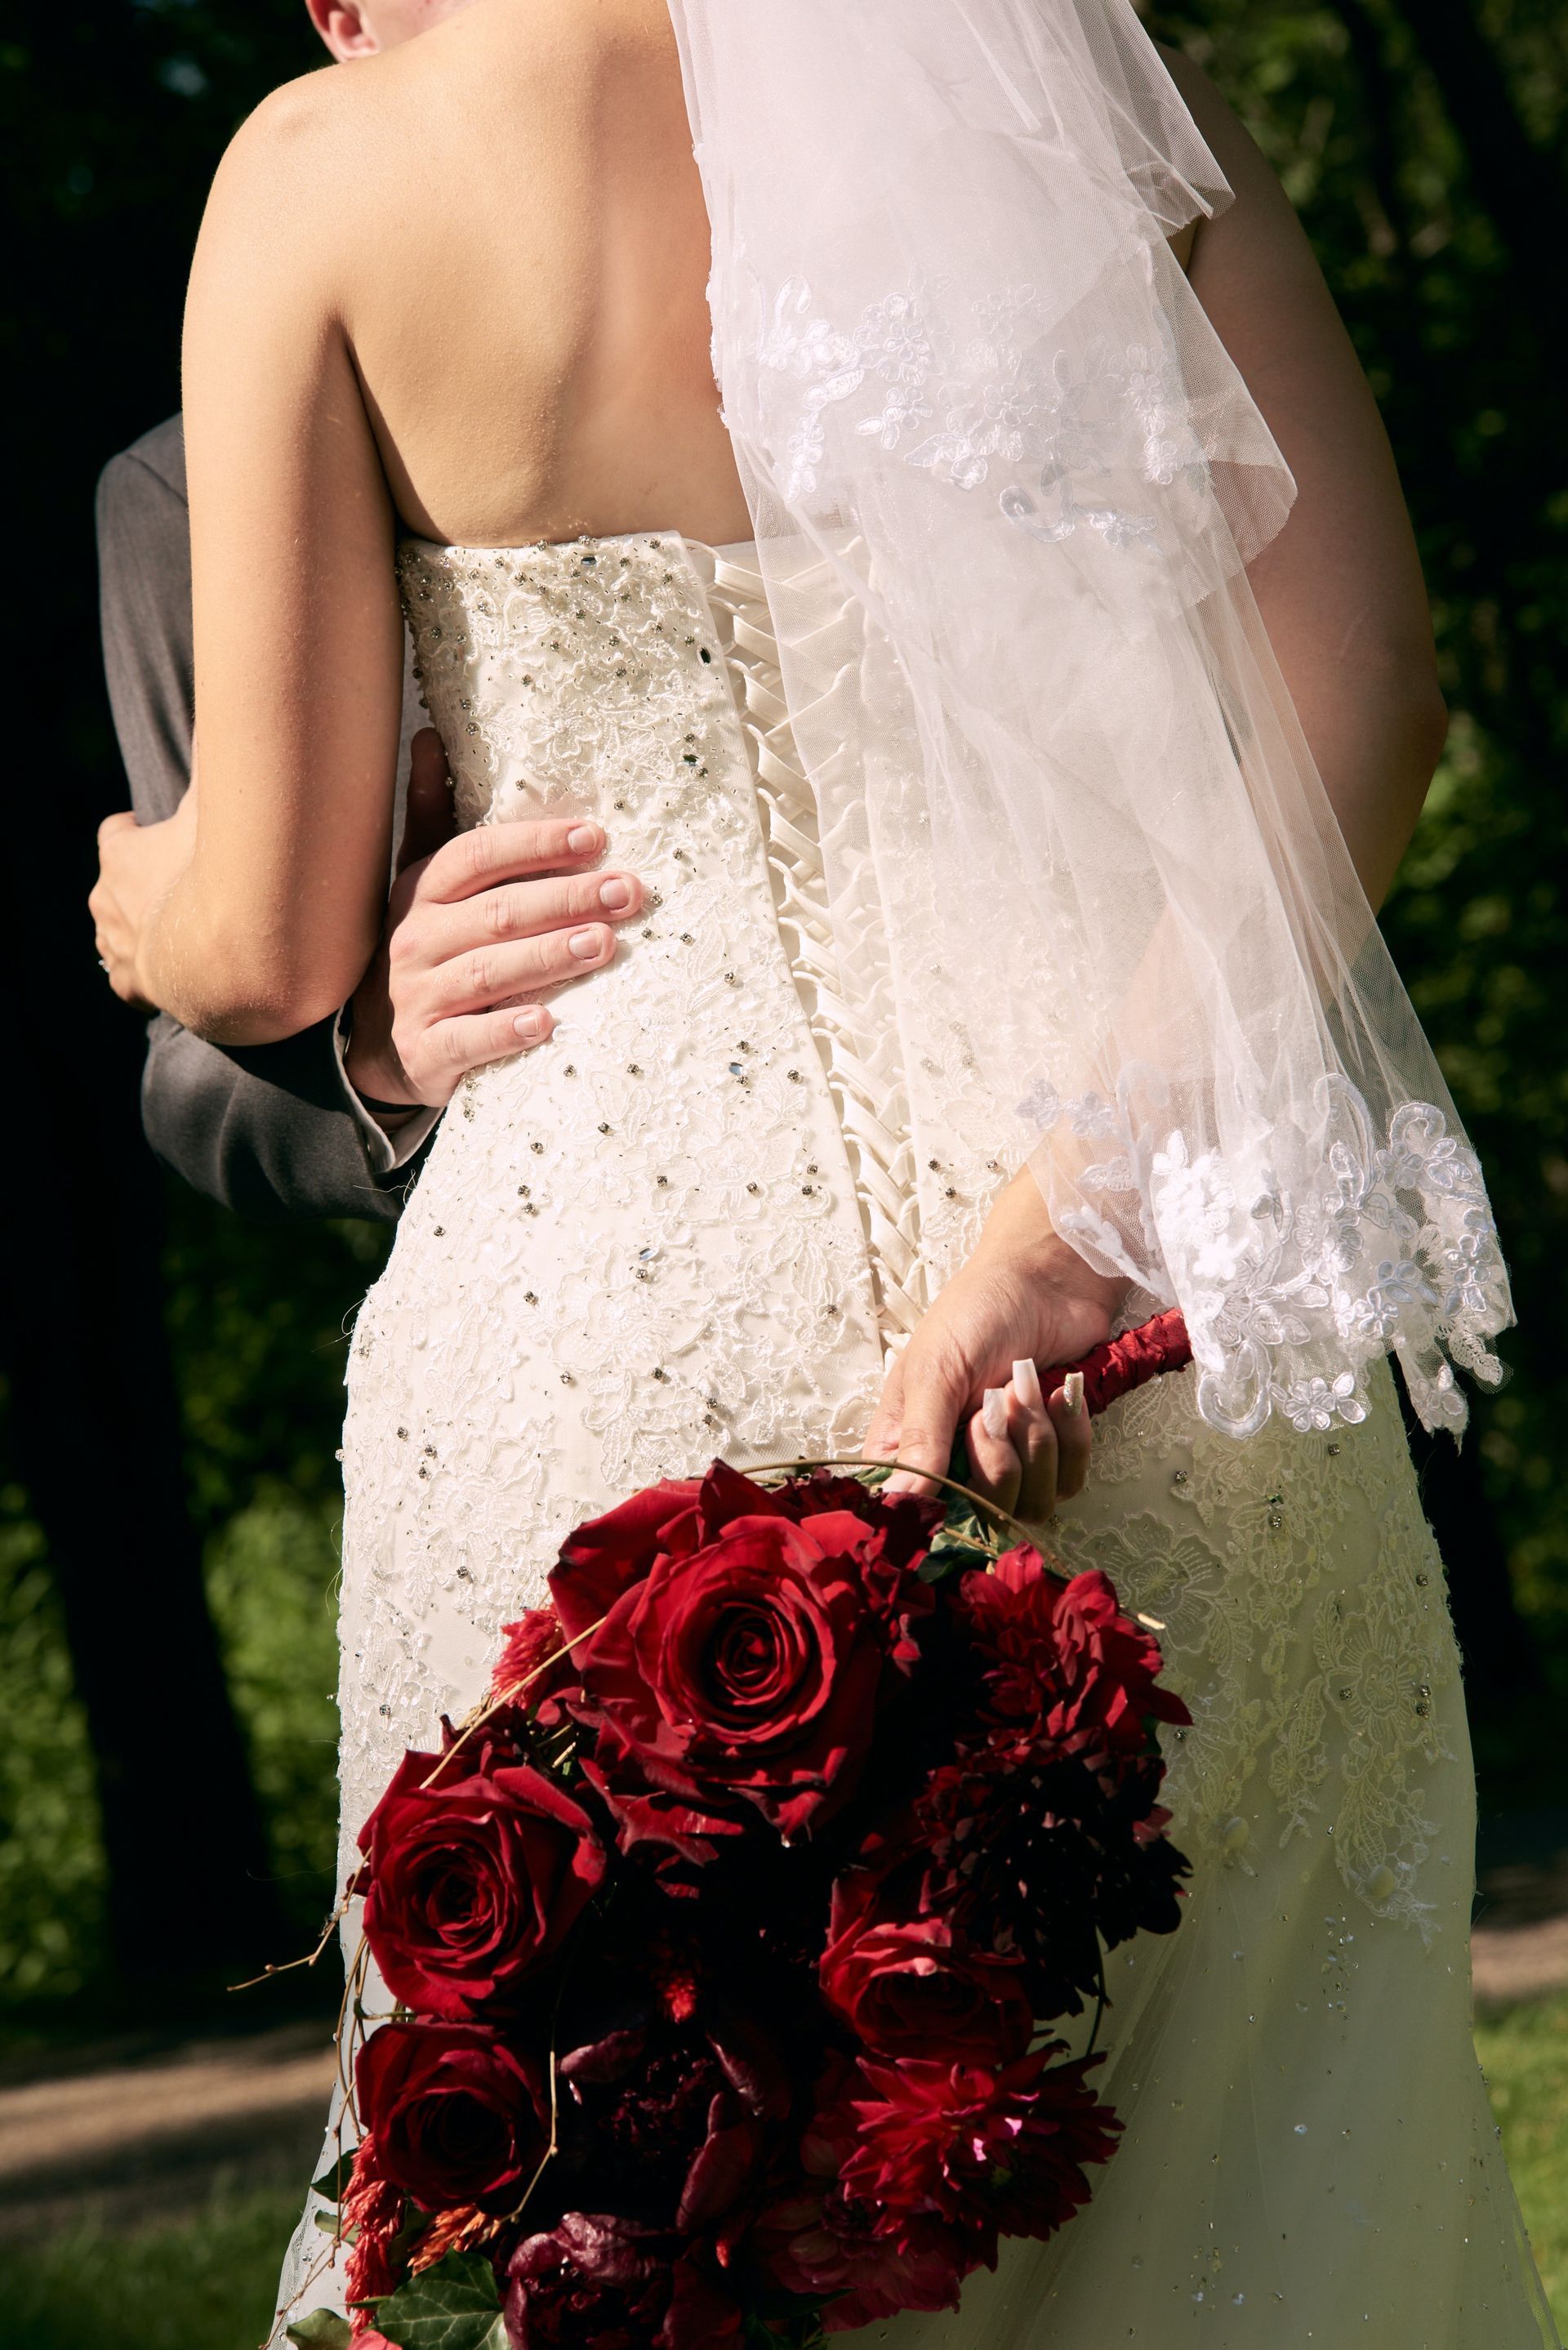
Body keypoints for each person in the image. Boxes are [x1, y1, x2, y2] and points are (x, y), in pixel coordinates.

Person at [106, 0, 1557, 2342]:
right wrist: (1063, 1225)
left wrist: (140, 889)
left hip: (611, 1340)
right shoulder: (1074, 64)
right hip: (1142, 1329)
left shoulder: (326, 172)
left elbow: (266, 928)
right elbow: (1367, 688)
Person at [89, 0, 644, 1222]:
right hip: (557, 1240)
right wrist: (375, 1056)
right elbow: (190, 1078)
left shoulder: (859, 346)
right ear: (344, 21)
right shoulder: (177, 495)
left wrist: (155, 919)